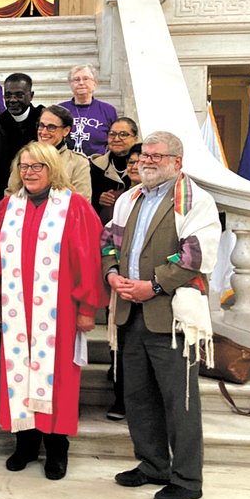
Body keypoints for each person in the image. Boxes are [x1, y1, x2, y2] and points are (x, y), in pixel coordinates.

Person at [101, 131, 220, 499]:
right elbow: (108, 242)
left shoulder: (195, 201)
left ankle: (186, 478)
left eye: (156, 155)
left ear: (177, 162)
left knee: (179, 400)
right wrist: (112, 274)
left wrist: (151, 286)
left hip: (169, 316)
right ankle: (153, 464)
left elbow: (195, 255)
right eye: (144, 155)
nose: (147, 161)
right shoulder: (129, 199)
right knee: (137, 396)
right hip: (129, 313)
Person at [0, 141, 106, 480]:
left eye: (36, 167)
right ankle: (25, 444)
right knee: (19, 375)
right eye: (24, 167)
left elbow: (88, 260)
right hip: (16, 310)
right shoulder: (7, 206)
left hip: (60, 313)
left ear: (52, 169)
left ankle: (57, 449)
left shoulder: (74, 207)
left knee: (58, 380)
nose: (28, 173)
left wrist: (88, 308)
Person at [105, 141, 142, 422]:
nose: (133, 166)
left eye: (139, 161)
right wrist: (112, 272)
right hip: (120, 285)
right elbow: (106, 241)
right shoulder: (123, 200)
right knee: (119, 345)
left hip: (151, 288)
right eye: (130, 161)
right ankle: (121, 399)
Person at [0, 73, 43, 199]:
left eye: (19, 95)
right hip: (1, 197)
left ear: (31, 95)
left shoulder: (44, 124)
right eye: (8, 95)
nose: (12, 100)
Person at [58, 64, 118, 157]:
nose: (81, 83)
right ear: (70, 84)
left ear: (95, 83)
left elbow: (115, 140)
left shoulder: (108, 110)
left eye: (86, 79)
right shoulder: (60, 110)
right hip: (67, 165)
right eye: (76, 79)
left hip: (98, 165)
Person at [90, 117, 141, 225]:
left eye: (123, 134)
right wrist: (98, 198)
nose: (116, 139)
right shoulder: (96, 165)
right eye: (112, 134)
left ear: (135, 138)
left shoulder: (144, 166)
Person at [36, 104, 91, 201]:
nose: (43, 132)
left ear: (66, 131)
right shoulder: (26, 157)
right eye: (41, 125)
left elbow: (82, 202)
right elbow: (12, 194)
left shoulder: (78, 162)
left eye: (51, 127)